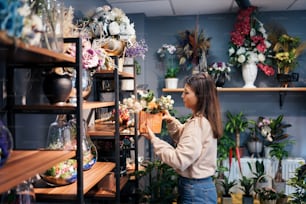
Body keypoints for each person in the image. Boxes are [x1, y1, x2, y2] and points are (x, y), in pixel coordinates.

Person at [142, 72, 223, 204]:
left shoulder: (197, 124)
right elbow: (187, 139)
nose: (182, 96)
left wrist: (154, 140)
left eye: (186, 93)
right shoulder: (203, 120)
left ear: (200, 97)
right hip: (201, 189)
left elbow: (179, 160)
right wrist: (171, 121)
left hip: (195, 191)